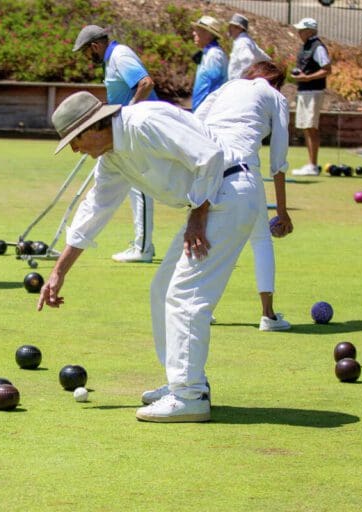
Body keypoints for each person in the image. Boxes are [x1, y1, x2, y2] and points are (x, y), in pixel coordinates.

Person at [37, 91, 261, 422]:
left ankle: (190, 395)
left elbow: (209, 155)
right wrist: (59, 272)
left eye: (75, 139)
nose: (74, 149)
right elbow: (94, 211)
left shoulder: (145, 122)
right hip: (211, 200)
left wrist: (198, 216)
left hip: (228, 193)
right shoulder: (114, 158)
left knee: (185, 294)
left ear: (95, 126)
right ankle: (180, 383)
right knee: (163, 287)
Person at [194, 62, 294, 332]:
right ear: (277, 82)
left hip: (205, 167)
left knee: (208, 238)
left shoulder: (228, 87)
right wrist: (282, 212)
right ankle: (268, 315)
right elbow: (278, 162)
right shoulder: (276, 97)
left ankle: (202, 309)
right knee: (261, 239)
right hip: (243, 170)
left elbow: (195, 121)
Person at [73, 25, 157, 263]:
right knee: (135, 186)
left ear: (95, 46)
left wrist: (128, 114)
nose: (86, 58)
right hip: (125, 131)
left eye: (85, 52)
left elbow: (146, 83)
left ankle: (143, 248)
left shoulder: (120, 55)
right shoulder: (111, 60)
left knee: (140, 185)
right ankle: (141, 244)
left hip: (137, 130)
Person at [291, 18, 331, 177]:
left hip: (313, 91)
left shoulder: (318, 47)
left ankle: (313, 165)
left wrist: (307, 78)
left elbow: (327, 69)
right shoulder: (306, 46)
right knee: (307, 127)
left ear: (310, 31)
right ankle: (311, 164)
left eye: (302, 30)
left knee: (311, 127)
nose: (299, 33)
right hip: (305, 91)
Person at [191, 15, 228, 111]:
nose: (194, 33)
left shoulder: (214, 55)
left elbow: (214, 85)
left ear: (208, 34)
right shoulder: (208, 53)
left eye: (198, 30)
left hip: (207, 110)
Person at [227, 13, 271, 80]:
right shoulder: (246, 41)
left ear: (239, 28)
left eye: (231, 26)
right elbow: (265, 58)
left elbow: (248, 60)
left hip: (240, 84)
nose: (229, 29)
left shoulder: (242, 42)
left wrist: (243, 80)